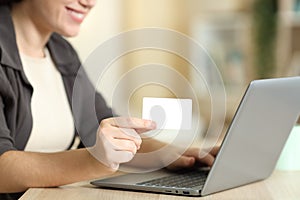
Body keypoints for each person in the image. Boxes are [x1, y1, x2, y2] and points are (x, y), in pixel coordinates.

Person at [0, 0, 219, 199]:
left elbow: (105, 127)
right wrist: (92, 161)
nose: (89, 3)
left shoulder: (60, 51)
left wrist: (172, 153)